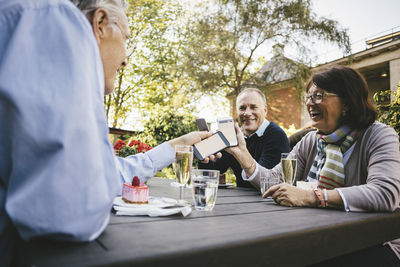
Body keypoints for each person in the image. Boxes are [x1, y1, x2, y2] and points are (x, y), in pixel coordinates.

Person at [0, 0, 218, 265]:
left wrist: (175, 146)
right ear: (100, 23)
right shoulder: (51, 19)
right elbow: (67, 212)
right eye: (127, 39)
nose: (126, 59)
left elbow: (99, 175)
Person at [227, 66, 400, 265]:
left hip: (375, 242)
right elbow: (275, 180)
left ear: (347, 102)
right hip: (323, 237)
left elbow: (385, 193)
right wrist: (244, 156)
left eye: (318, 96)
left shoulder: (378, 135)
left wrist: (313, 197)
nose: (310, 103)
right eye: (308, 97)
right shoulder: (312, 140)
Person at [199, 88, 289, 188]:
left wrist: (239, 153)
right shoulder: (233, 136)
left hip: (266, 201)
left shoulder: (276, 135)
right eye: (242, 108)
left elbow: (264, 181)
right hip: (241, 200)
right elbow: (212, 171)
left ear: (265, 110)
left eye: (253, 107)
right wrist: (204, 152)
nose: (247, 113)